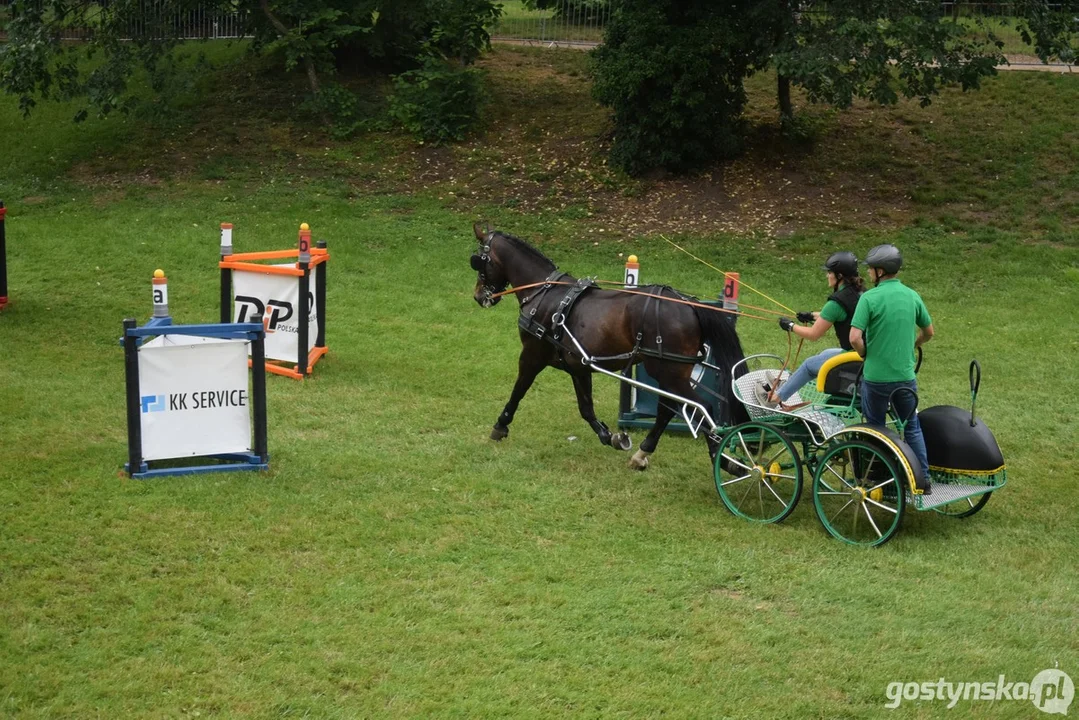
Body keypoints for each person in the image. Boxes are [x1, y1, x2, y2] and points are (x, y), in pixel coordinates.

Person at [848, 243, 934, 480]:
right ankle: (923, 478)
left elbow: (854, 337)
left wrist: (865, 353)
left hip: (876, 379)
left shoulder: (869, 298)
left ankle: (880, 478)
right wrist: (913, 345)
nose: (867, 273)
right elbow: (929, 332)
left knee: (876, 428)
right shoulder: (912, 295)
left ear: (881, 271)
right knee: (912, 427)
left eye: (871, 268)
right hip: (905, 377)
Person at [758, 251, 865, 409]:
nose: (827, 276)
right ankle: (786, 385)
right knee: (825, 354)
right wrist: (811, 315)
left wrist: (790, 326)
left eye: (829, 272)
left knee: (809, 365)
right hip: (865, 352)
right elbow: (836, 315)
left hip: (856, 358)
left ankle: (775, 398)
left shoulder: (836, 303)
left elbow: (813, 335)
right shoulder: (860, 293)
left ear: (840, 276)